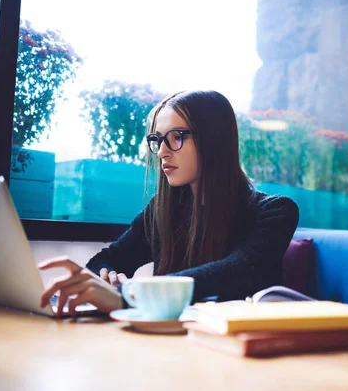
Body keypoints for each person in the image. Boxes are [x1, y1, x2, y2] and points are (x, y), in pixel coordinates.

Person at [38, 90, 299, 316]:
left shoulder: (275, 212)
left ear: (214, 140)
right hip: (172, 343)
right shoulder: (165, 210)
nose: (162, 151)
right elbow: (108, 259)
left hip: (239, 352)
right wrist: (107, 278)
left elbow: (236, 271)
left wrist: (130, 296)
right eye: (158, 140)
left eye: (176, 137)